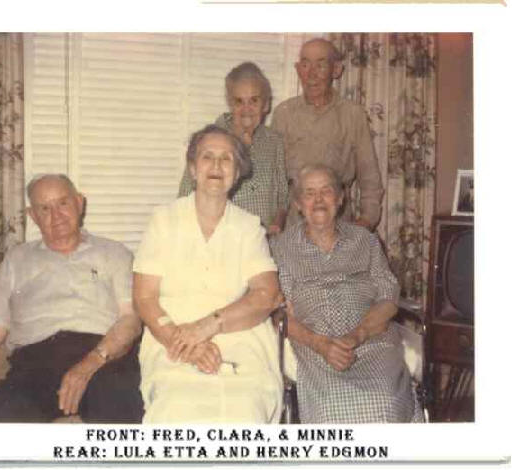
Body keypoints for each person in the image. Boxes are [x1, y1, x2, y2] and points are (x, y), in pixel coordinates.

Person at [0, 174, 144, 423]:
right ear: (32, 216)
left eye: (63, 203)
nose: (56, 215)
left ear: (79, 203)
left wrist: (90, 363)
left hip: (102, 359)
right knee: (8, 414)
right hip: (34, 365)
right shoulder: (17, 259)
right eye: (45, 208)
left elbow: (130, 321)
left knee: (118, 409)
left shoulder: (114, 253)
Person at [134, 124, 283, 423]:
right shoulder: (164, 221)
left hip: (239, 336)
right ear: (192, 168)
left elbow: (267, 295)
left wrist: (207, 327)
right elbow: (144, 298)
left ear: (237, 172)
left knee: (244, 411)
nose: (216, 165)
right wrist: (184, 343)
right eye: (207, 157)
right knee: (176, 409)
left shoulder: (248, 227)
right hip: (172, 338)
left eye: (226, 158)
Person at [270, 164, 422, 423]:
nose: (318, 200)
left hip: (372, 338)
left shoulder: (365, 240)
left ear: (340, 199)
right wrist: (321, 345)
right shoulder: (281, 247)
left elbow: (388, 297)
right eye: (309, 193)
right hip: (316, 344)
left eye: (326, 191)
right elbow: (280, 314)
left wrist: (358, 334)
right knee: (330, 408)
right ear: (298, 204)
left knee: (385, 400)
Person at [272, 38, 384, 230]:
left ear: (336, 69)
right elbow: (273, 178)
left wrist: (366, 222)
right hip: (293, 223)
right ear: (298, 70)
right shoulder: (284, 114)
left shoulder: (353, 115)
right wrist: (276, 224)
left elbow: (370, 177)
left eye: (321, 65)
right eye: (305, 65)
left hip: (338, 223)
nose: (312, 74)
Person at [178, 62, 289, 235]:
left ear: (266, 105)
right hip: (220, 239)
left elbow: (283, 196)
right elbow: (185, 197)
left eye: (254, 100)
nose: (246, 109)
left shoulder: (274, 142)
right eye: (239, 101)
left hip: (262, 241)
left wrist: (277, 224)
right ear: (230, 103)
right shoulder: (209, 141)